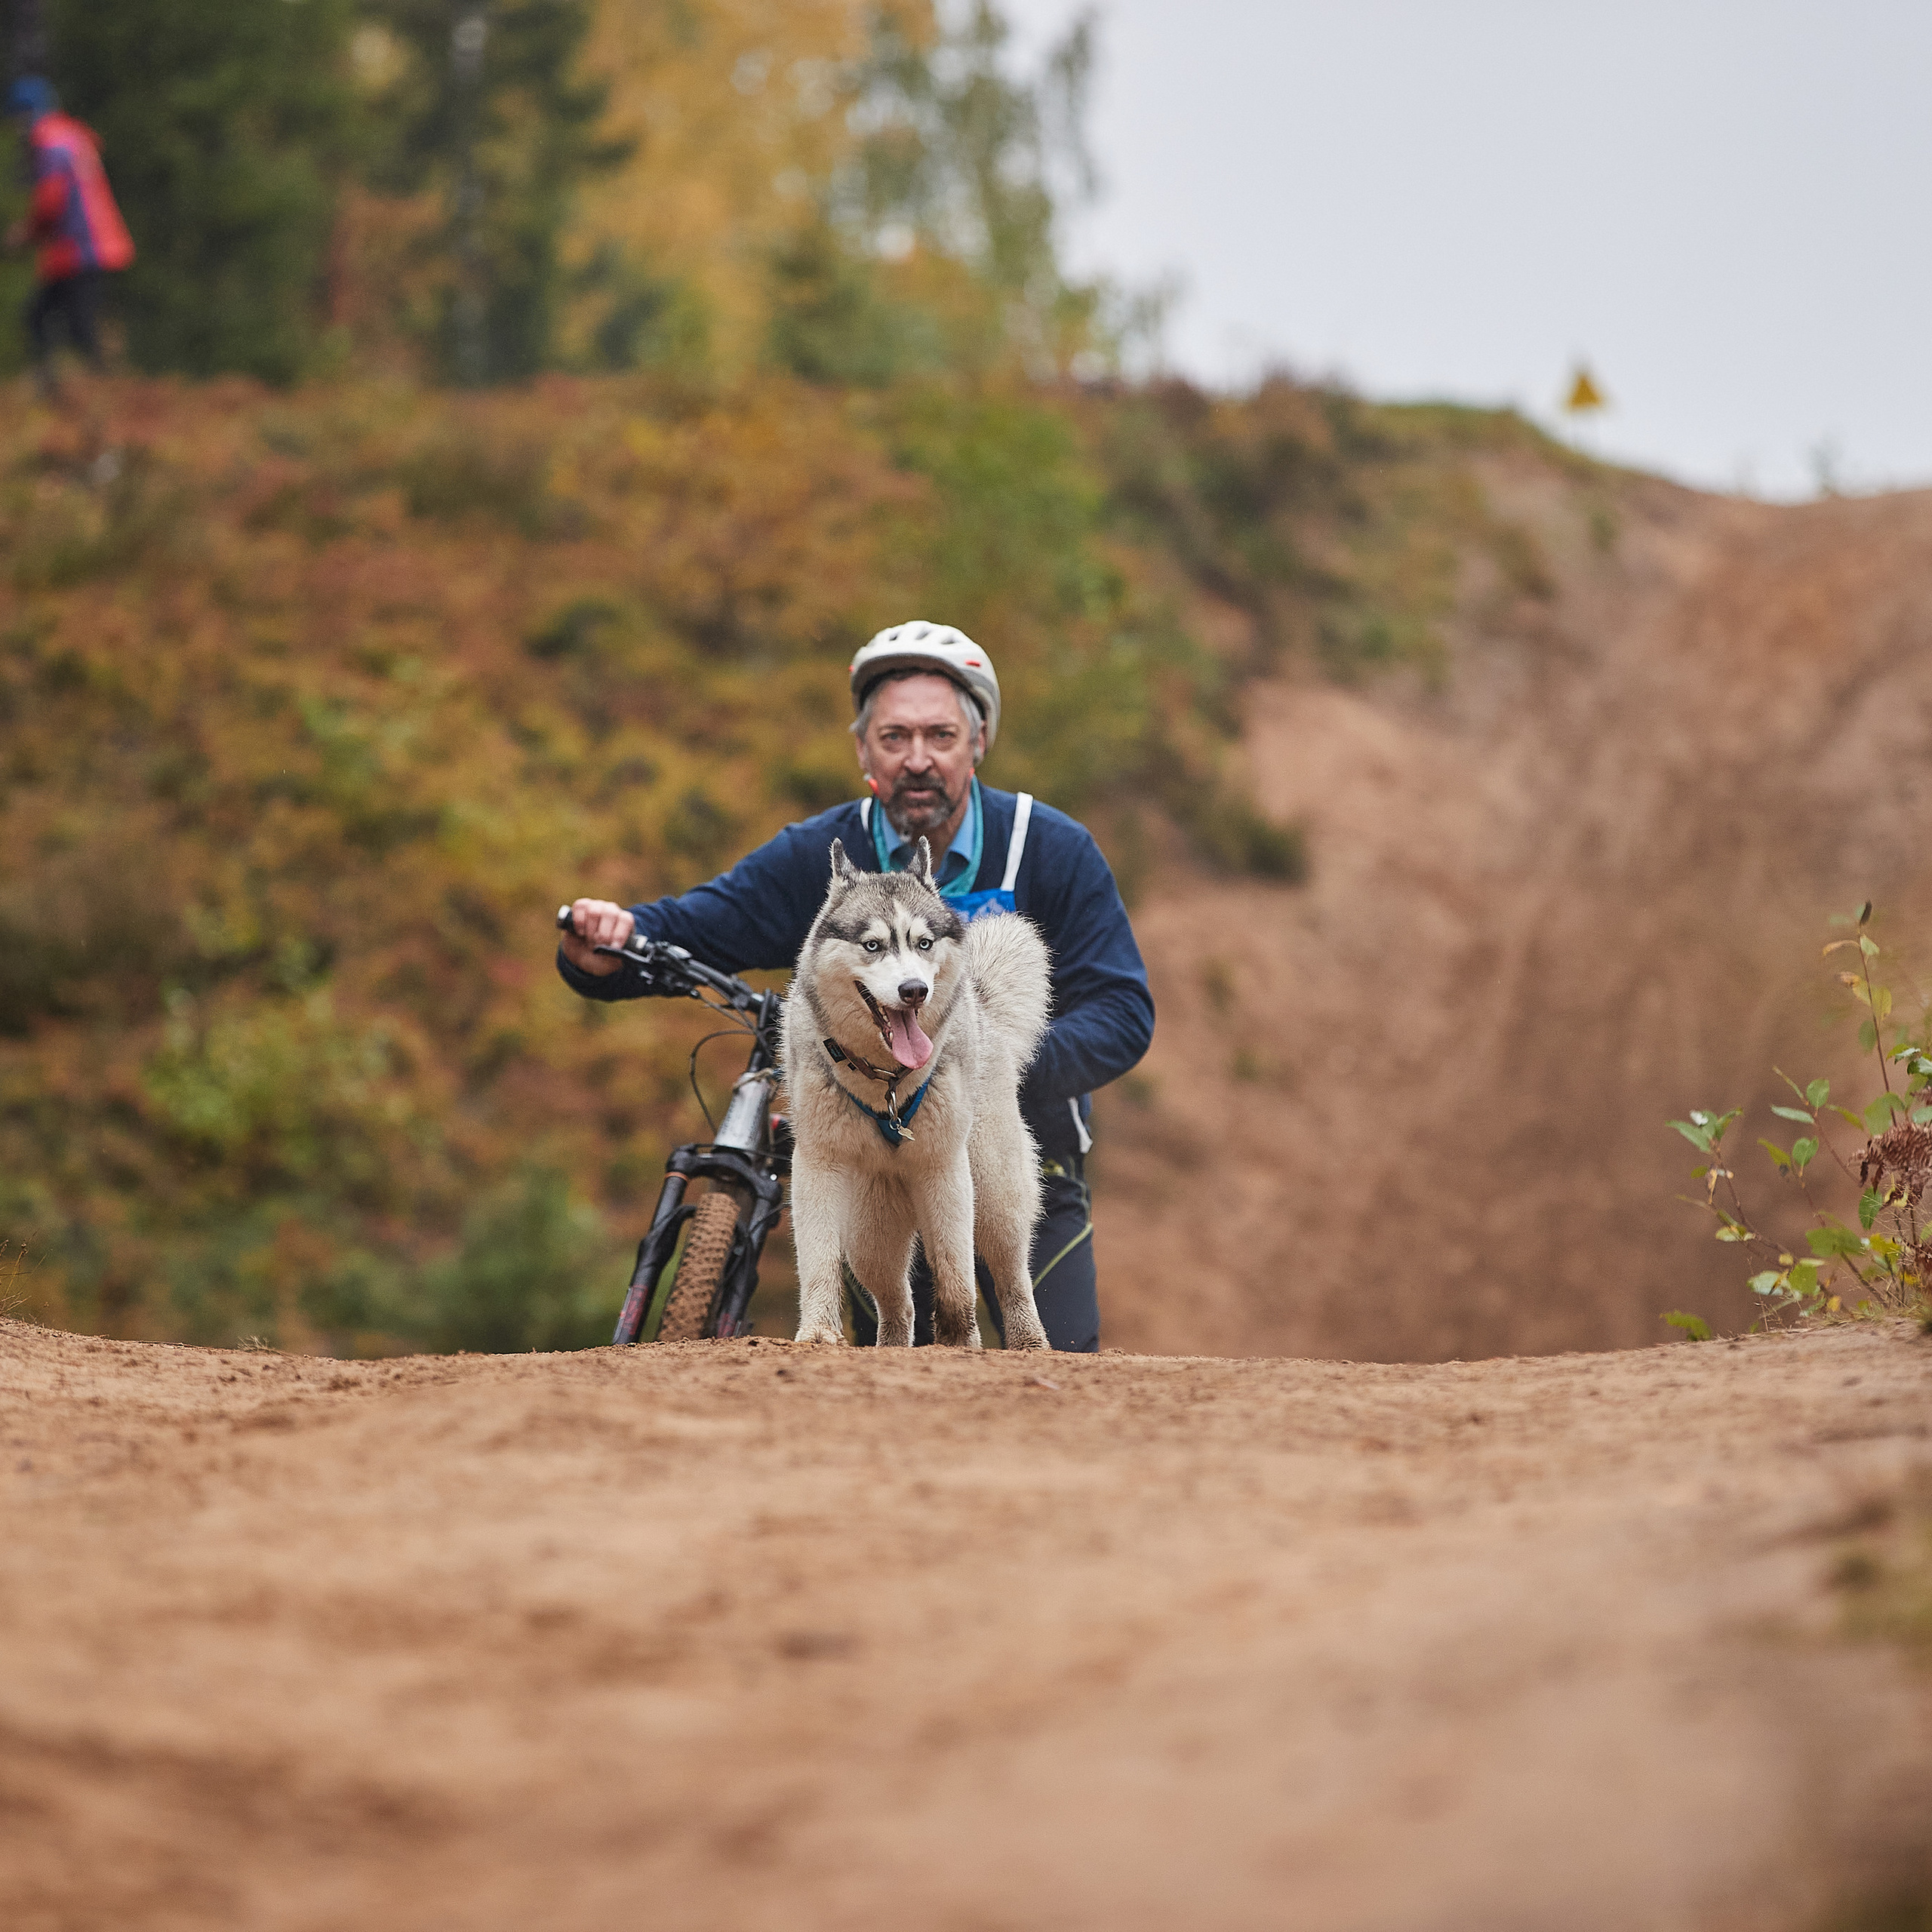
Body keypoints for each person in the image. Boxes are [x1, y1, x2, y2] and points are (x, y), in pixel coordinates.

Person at [559, 622, 1155, 1353]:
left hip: (1023, 1142)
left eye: (940, 736)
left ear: (979, 742)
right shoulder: (816, 853)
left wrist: (988, 1066)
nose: (917, 759)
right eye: (893, 736)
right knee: (886, 1378)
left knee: (1060, 1363)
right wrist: (610, 945)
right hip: (873, 1161)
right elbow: (698, 926)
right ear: (861, 749)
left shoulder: (1053, 847)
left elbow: (1123, 1011)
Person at [5, 76, 134, 396]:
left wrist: (24, 234)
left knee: (60, 322)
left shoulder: (50, 143)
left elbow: (52, 202)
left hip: (81, 249)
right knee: (63, 320)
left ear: (26, 114)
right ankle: (86, 387)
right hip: (92, 246)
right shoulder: (70, 136)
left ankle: (84, 392)